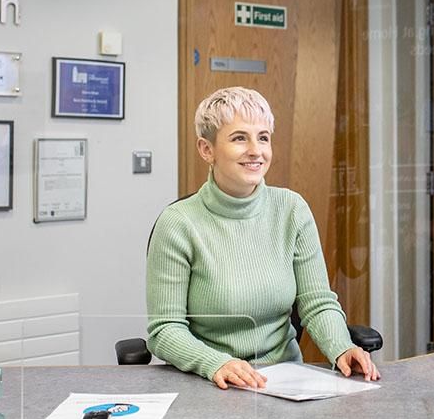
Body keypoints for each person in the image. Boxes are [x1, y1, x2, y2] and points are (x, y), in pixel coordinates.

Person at [146, 87, 379, 389]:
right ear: (207, 150)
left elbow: (317, 303)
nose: (256, 150)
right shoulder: (178, 223)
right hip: (209, 380)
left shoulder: (292, 209)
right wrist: (216, 362)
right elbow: (164, 330)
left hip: (284, 380)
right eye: (239, 138)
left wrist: (342, 348)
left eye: (263, 137)